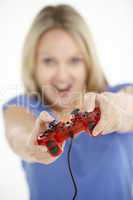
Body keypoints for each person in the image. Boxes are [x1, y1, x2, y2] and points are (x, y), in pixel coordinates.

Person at [2, 4, 133, 200]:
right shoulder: (20, 107)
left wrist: (119, 115)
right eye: (49, 61)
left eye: (74, 60)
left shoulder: (119, 94)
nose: (62, 76)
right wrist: (32, 146)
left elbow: (128, 104)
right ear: (33, 64)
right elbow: (18, 134)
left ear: (88, 62)